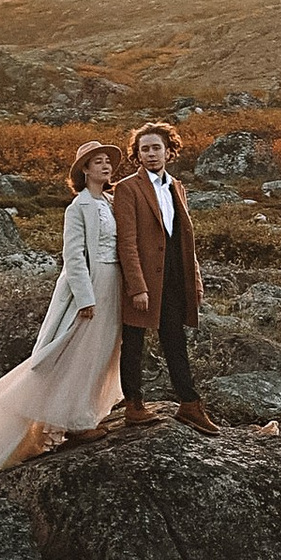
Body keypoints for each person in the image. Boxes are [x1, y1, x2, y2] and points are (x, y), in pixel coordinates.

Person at [0, 139, 126, 472]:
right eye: (98, 162)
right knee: (74, 350)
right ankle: (72, 421)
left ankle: (86, 413)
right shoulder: (77, 207)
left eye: (108, 161)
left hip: (115, 282)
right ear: (84, 170)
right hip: (93, 284)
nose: (106, 166)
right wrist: (85, 297)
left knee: (102, 348)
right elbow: (73, 256)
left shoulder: (110, 201)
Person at [110, 118, 215, 431]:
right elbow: (126, 242)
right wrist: (137, 287)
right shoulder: (127, 189)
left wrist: (194, 281)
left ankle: (189, 403)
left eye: (157, 148)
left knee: (175, 339)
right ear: (137, 155)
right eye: (144, 149)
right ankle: (133, 404)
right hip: (142, 278)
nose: (151, 154)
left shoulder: (177, 187)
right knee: (133, 341)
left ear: (170, 151)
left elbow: (186, 241)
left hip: (173, 276)